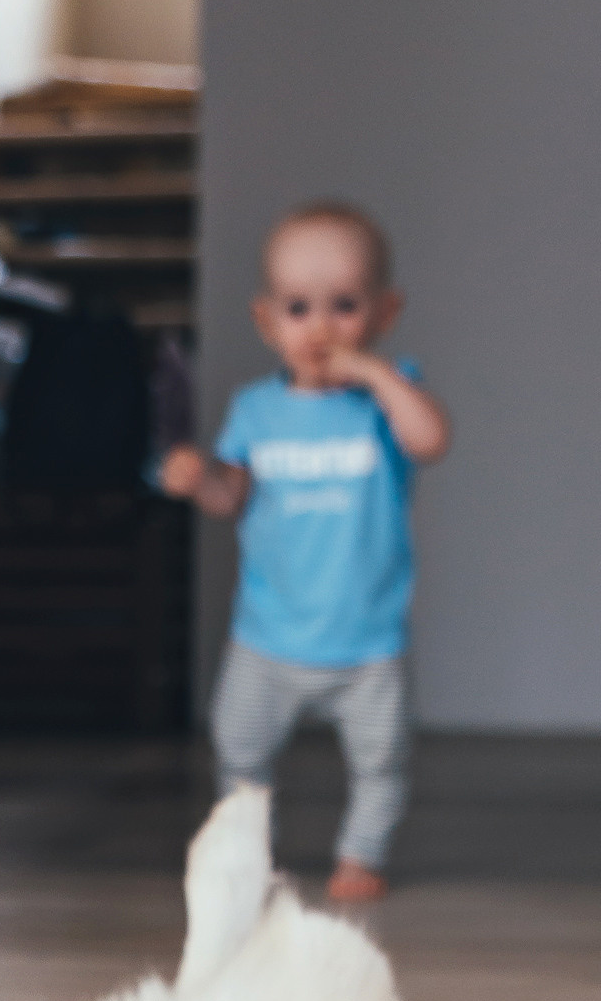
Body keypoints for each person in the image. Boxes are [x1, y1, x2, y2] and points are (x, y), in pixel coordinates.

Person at [161, 201, 451, 902]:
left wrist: (378, 375)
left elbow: (431, 441)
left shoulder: (388, 402)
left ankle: (361, 854)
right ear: (267, 321)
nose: (321, 328)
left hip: (366, 637)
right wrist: (203, 478)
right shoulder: (256, 411)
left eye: (345, 307)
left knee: (381, 760)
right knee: (239, 750)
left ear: (385, 313)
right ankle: (248, 856)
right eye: (298, 308)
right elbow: (234, 497)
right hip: (269, 632)